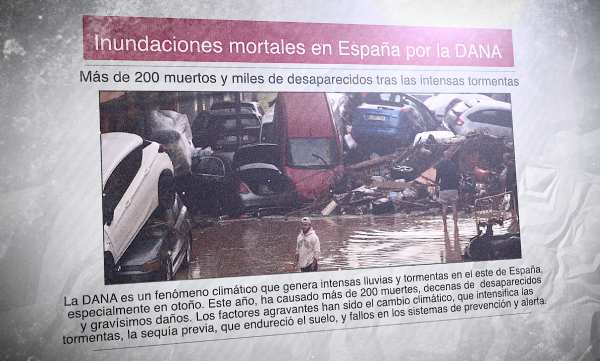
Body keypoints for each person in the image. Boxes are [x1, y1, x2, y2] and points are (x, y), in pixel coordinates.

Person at [436, 149, 460, 240]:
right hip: (453, 188)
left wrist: (436, 184)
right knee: (454, 206)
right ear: (450, 156)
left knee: (444, 207)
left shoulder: (440, 165)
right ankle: (455, 226)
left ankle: (445, 227)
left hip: (443, 188)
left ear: (443, 156)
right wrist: (458, 188)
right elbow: (457, 177)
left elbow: (437, 177)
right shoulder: (453, 165)